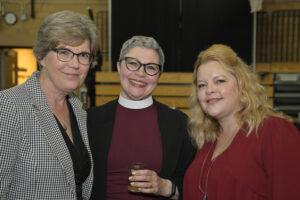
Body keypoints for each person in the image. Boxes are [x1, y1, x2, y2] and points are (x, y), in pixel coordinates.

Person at [0, 10, 98, 199]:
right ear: (42, 56)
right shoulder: (9, 106)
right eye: (64, 52)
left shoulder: (78, 109)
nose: (75, 64)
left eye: (84, 55)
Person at [183, 44, 300, 200]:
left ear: (241, 84)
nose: (209, 89)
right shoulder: (207, 140)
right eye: (202, 85)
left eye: (219, 81)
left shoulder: (274, 131)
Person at [87, 35, 196, 200]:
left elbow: (195, 184)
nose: (140, 73)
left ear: (159, 75)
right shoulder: (90, 121)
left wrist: (166, 187)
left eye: (151, 67)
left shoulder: (179, 125)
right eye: (132, 63)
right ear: (118, 67)